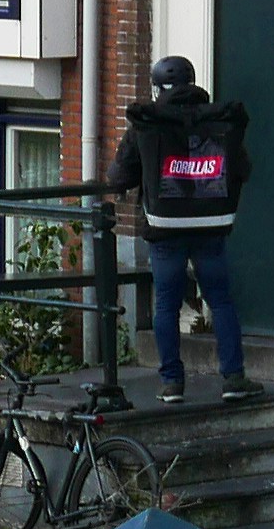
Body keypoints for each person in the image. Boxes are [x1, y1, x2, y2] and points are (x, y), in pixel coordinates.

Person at [106, 54, 252, 403]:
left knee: (166, 306)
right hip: (210, 228)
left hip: (165, 229)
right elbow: (243, 169)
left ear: (158, 88)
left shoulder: (147, 123)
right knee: (221, 302)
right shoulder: (217, 120)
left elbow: (118, 176)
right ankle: (233, 379)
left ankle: (172, 382)